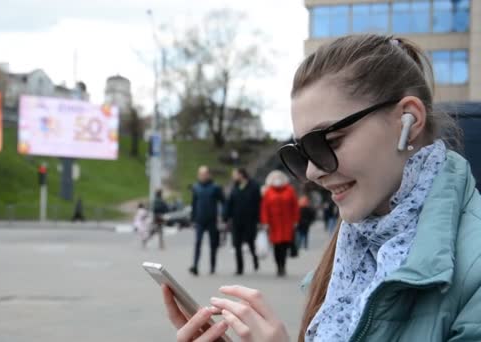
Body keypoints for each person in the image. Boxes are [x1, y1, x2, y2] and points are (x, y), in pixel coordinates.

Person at [160, 34, 481, 342]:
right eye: (300, 152)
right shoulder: (352, 245)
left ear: (408, 120)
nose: (312, 172)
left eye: (328, 141)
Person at [260, 170, 299, 277]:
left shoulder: (290, 190)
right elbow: (264, 208)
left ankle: (283, 264)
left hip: (287, 223)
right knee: (276, 247)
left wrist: (296, 220)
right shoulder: (268, 192)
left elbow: (295, 206)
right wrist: (265, 222)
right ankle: (279, 266)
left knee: (285, 246)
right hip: (274, 225)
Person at [223, 168, 261, 275]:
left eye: (235, 174)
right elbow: (229, 202)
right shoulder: (234, 187)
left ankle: (255, 259)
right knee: (237, 244)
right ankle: (239, 268)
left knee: (250, 242)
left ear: (241, 175)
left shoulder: (254, 186)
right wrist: (226, 216)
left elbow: (258, 203)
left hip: (250, 220)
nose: (233, 177)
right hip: (236, 221)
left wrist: (259, 219)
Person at [189, 166, 225, 276]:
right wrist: (193, 218)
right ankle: (195, 266)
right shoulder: (196, 187)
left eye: (204, 174)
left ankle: (212, 266)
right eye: (200, 174)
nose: (202, 176)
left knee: (213, 244)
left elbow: (223, 201)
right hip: (200, 220)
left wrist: (223, 215)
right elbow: (194, 203)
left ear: (209, 175)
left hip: (212, 220)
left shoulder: (215, 187)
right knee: (198, 242)